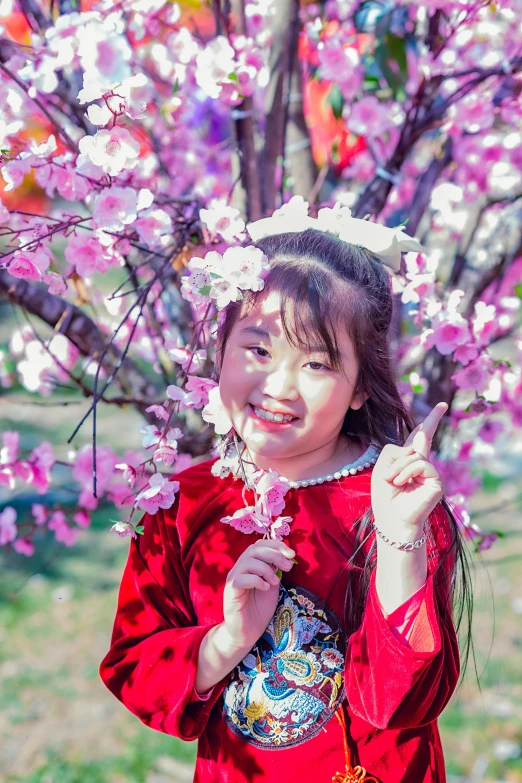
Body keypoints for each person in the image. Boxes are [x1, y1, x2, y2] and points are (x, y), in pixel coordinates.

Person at [99, 209, 473, 783]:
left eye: (318, 363)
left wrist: (400, 541)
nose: (279, 386)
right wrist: (226, 642)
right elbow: (135, 664)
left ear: (359, 388)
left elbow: (401, 706)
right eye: (258, 349)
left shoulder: (396, 501)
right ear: (220, 347)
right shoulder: (179, 502)